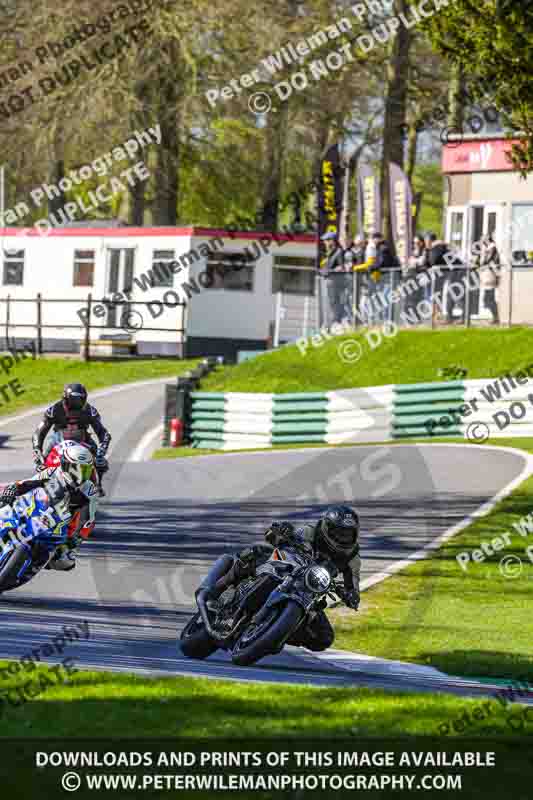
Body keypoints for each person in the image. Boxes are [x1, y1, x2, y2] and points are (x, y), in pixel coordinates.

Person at [196, 505, 361, 652]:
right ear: (327, 528)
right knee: (255, 552)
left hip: (309, 590)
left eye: (347, 534)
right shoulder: (310, 531)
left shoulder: (352, 557)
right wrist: (281, 532)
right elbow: (276, 537)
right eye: (339, 532)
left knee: (324, 638)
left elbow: (353, 582)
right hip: (285, 569)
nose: (343, 537)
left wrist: (352, 595)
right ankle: (216, 590)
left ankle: (276, 632)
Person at [0, 442, 98, 571]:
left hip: (61, 527)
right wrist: (13, 489)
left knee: (65, 561)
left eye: (84, 470)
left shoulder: (89, 490)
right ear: (65, 465)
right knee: (5, 511)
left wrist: (73, 542)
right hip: (37, 510)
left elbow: (88, 520)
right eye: (77, 469)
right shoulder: (53, 472)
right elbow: (29, 482)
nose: (80, 475)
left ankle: (35, 565)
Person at [32, 384, 111, 487]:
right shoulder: (54, 410)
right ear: (65, 399)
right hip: (59, 439)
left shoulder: (90, 410)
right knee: (42, 465)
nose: (76, 404)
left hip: (83, 438)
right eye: (73, 401)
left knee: (101, 463)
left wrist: (102, 449)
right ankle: (41, 486)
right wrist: (38, 450)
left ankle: (97, 485)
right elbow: (39, 432)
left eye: (79, 400)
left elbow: (102, 432)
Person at [321, 232, 352, 326]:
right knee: (332, 303)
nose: (324, 243)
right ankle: (336, 322)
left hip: (337, 281)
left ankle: (339, 322)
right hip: (330, 281)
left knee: (337, 303)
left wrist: (330, 270)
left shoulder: (339, 251)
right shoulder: (330, 252)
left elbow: (342, 267)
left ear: (332, 241)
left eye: (326, 240)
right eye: (324, 241)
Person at [478, 235, 501, 325]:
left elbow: (487, 261)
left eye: (483, 239)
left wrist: (483, 253)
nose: (481, 241)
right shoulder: (488, 248)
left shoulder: (492, 248)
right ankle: (495, 317)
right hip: (487, 275)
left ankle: (496, 317)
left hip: (490, 275)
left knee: (488, 298)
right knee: (488, 298)